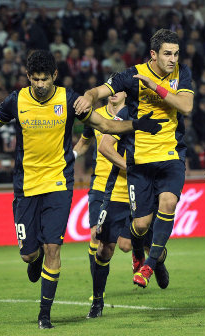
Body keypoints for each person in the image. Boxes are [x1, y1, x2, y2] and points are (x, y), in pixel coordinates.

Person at [0, 50, 166, 329]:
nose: (40, 84)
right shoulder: (17, 100)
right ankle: (32, 260)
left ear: (54, 76)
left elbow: (106, 124)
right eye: (35, 79)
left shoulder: (69, 100)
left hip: (59, 183)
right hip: (26, 185)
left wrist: (138, 124)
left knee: (53, 249)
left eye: (44, 79)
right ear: (28, 77)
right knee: (29, 254)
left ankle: (44, 316)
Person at [74, 29, 194, 289]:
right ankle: (150, 257)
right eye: (167, 54)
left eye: (175, 53)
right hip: (140, 164)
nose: (173, 59)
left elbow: (186, 106)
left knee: (169, 202)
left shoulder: (181, 73)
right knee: (139, 227)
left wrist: (156, 86)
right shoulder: (131, 76)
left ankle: (148, 267)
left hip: (171, 155)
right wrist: (88, 97)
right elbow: (99, 91)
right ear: (153, 54)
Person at [73, 79, 168, 319]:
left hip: (142, 190)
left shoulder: (144, 116)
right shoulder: (99, 117)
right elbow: (92, 143)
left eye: (119, 91)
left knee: (134, 244)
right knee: (102, 245)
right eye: (111, 91)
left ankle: (156, 260)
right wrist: (71, 156)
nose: (114, 94)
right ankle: (97, 301)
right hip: (107, 188)